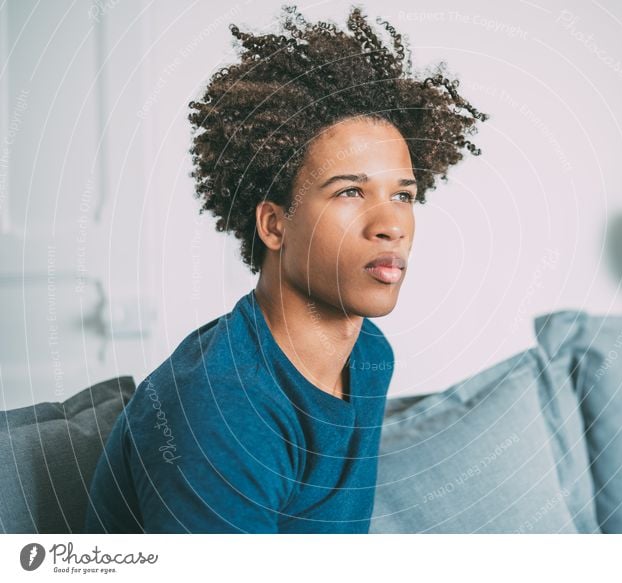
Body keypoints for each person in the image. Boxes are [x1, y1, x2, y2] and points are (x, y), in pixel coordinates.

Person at [84, 4, 486, 533]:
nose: (392, 225)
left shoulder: (367, 355)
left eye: (404, 196)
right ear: (274, 225)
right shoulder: (221, 409)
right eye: (349, 191)